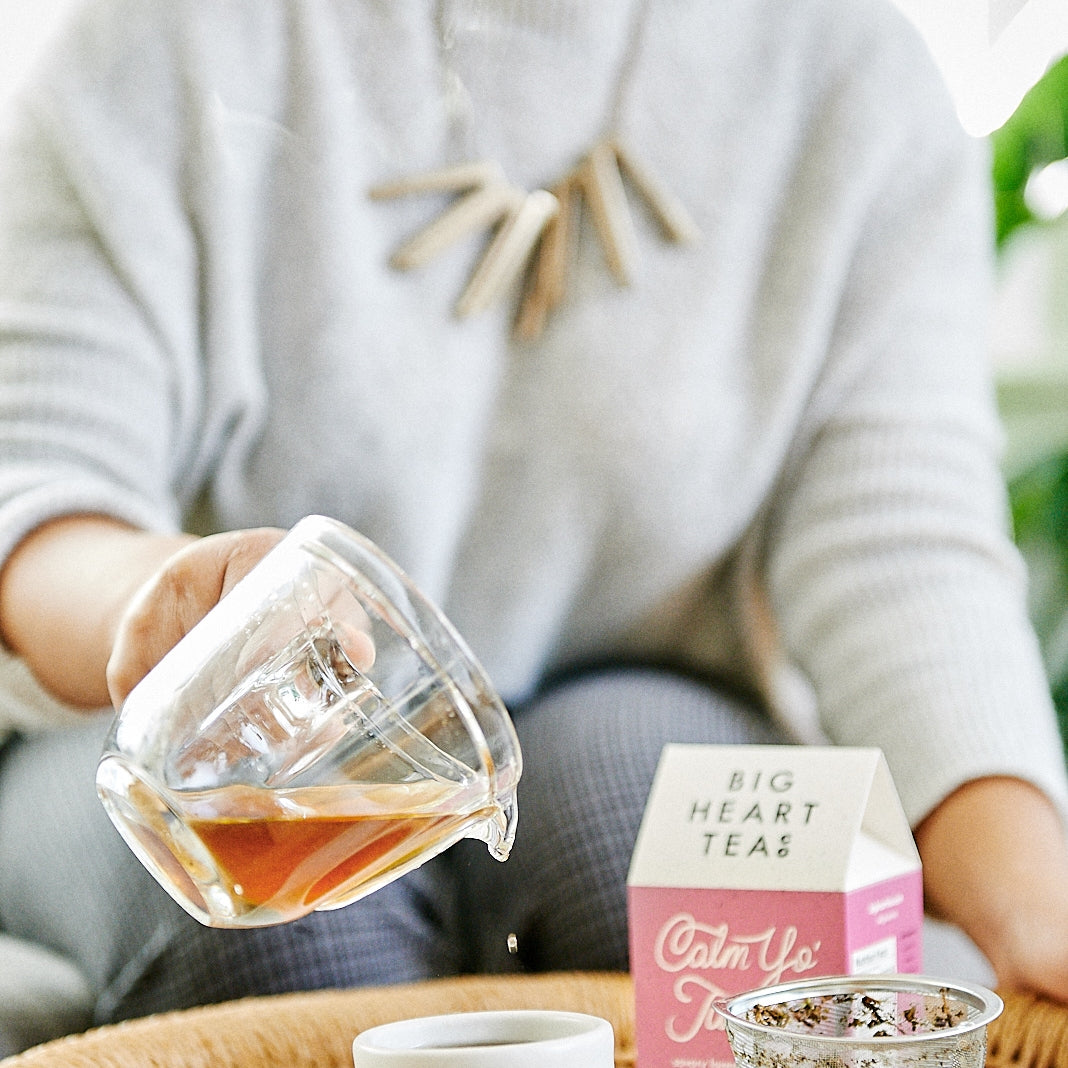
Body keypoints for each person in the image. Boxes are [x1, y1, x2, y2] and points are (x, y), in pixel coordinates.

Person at [1, 0, 1068, 1034]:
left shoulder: (853, 75)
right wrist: (174, 613)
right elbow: (40, 494)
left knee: (659, 876)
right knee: (292, 937)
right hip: (158, 710)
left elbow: (898, 554)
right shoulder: (158, 39)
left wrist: (1038, 903)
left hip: (645, 692)